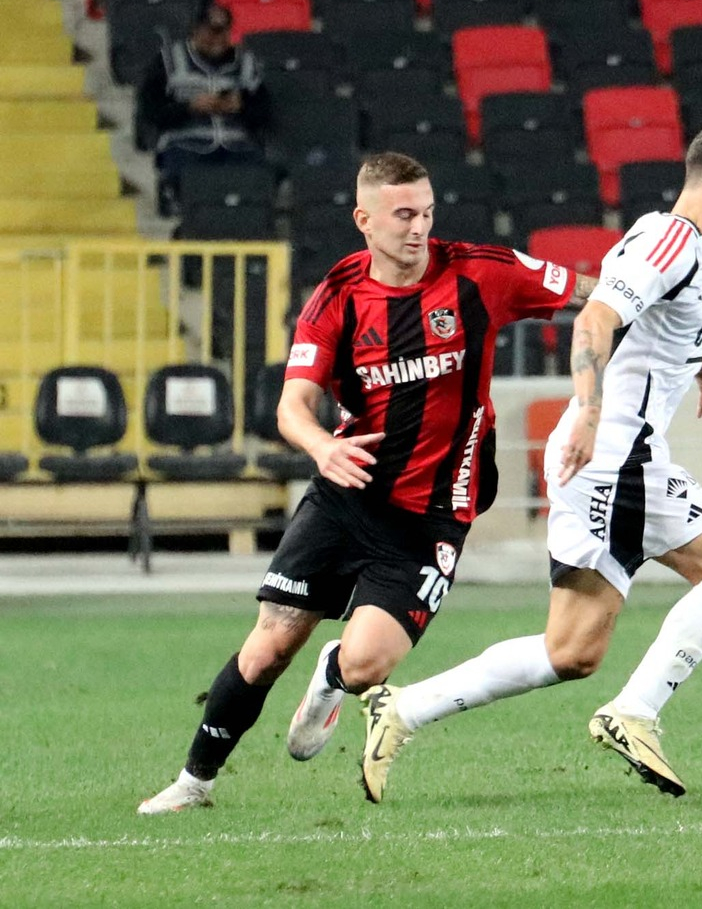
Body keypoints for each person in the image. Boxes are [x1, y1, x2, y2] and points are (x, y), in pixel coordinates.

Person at [137, 152, 598, 814]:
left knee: (365, 665)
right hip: (346, 494)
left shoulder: (480, 272)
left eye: (428, 213)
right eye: (404, 214)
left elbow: (598, 294)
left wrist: (696, 337)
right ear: (365, 220)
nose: (419, 228)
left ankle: (331, 675)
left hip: (433, 514)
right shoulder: (338, 295)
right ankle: (195, 781)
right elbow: (292, 406)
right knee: (267, 645)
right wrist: (321, 445)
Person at [355, 123, 702, 802]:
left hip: (617, 454)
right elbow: (595, 319)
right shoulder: (674, 240)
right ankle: (636, 712)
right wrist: (584, 407)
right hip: (617, 454)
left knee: (572, 651)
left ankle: (403, 708)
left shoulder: (668, 239)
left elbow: (637, 316)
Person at [140, 1, 269, 216]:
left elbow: (264, 111)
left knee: (257, 174)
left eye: (223, 31)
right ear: (196, 29)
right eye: (211, 31)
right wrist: (190, 107)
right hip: (185, 144)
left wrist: (241, 106)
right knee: (183, 171)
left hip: (237, 145)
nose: (217, 39)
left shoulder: (246, 63)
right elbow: (151, 110)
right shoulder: (169, 61)